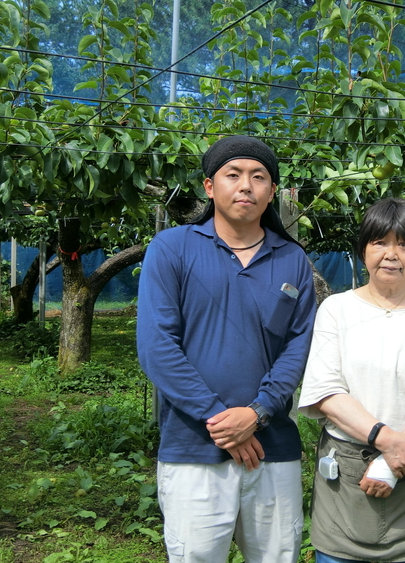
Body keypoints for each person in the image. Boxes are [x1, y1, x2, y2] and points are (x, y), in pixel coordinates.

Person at [136, 135, 316, 563]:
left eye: (258, 177)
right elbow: (157, 346)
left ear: (273, 191)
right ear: (209, 186)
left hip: (272, 449)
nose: (246, 186)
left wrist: (256, 414)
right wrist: (220, 420)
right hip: (193, 447)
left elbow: (299, 345)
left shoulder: (292, 259)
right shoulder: (173, 249)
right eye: (232, 175)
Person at [298, 197, 405, 563]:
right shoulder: (337, 309)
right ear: (363, 249)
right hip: (347, 475)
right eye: (380, 242)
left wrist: (396, 458)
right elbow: (326, 390)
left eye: (404, 244)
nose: (391, 254)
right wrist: (387, 440)